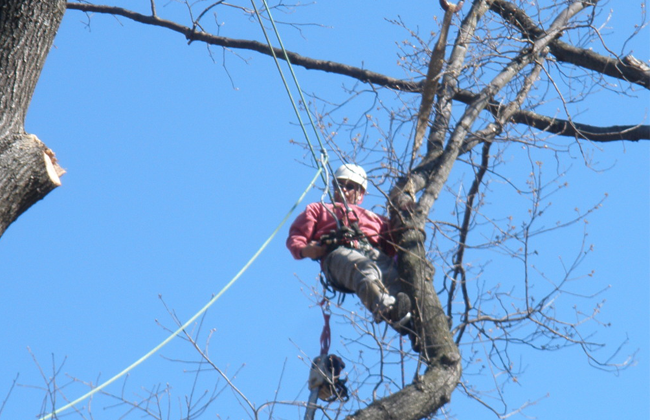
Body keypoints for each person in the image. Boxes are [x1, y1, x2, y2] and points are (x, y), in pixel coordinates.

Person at [286, 164, 411, 328]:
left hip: (373, 252)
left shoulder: (376, 219)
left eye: (350, 186)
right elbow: (296, 236)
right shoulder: (319, 209)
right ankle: (386, 308)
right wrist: (305, 250)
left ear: (360, 193)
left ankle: (415, 322)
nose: (343, 190)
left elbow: (393, 246)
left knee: (395, 277)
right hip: (337, 254)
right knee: (363, 269)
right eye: (339, 185)